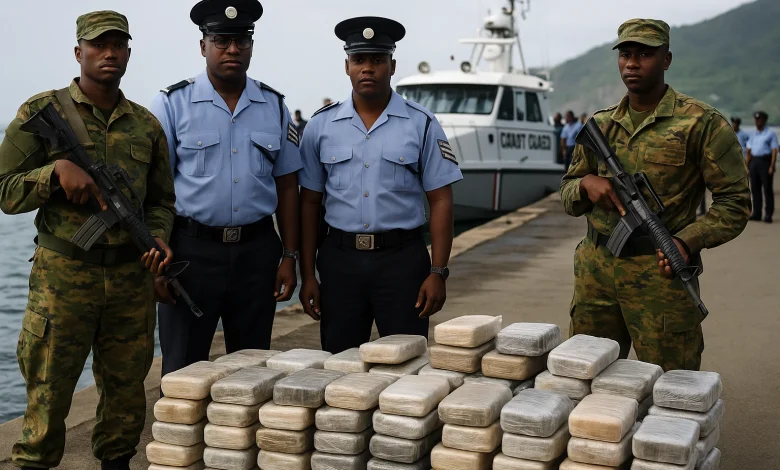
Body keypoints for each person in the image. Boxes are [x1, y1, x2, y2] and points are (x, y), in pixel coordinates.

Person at [0, 11, 176, 470]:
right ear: (79, 52)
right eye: (99, 45)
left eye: (118, 45)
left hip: (129, 281)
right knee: (48, 393)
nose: (109, 53)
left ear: (129, 54)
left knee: (124, 398)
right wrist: (53, 174)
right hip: (63, 278)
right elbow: (3, 190)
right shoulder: (42, 112)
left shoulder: (145, 125)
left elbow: (161, 200)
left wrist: (158, 237)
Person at [560, 19, 750, 371]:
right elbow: (567, 190)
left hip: (661, 277)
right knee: (584, 380)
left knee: (670, 390)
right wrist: (587, 186)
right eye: (626, 54)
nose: (632, 63)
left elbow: (736, 203)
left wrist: (687, 241)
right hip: (595, 275)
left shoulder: (701, 124)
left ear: (666, 60)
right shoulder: (600, 125)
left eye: (645, 54)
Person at [150, 0, 302, 377]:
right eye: (221, 40)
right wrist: (154, 267)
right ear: (203, 46)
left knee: (251, 372)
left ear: (251, 45)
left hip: (256, 254)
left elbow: (287, 187)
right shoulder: (172, 104)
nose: (232, 49)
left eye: (241, 40)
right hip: (190, 254)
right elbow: (155, 192)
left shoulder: (275, 105)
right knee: (184, 371)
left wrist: (289, 256)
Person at [297, 17, 463, 354]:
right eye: (359, 60)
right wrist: (308, 274)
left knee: (406, 367)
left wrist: (438, 271)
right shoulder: (320, 126)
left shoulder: (422, 124)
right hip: (340, 264)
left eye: (377, 60)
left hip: (402, 265)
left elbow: (441, 200)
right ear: (347, 66)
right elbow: (309, 203)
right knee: (339, 366)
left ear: (392, 65)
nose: (368, 69)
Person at [745, 111, 778, 223]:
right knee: (755, 188)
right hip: (754, 161)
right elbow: (748, 150)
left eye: (759, 119)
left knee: (767, 188)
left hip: (765, 161)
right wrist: (746, 165)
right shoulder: (753, 134)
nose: (757, 121)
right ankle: (757, 213)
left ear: (764, 120)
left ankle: (768, 214)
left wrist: (772, 165)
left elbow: (774, 150)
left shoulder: (770, 134)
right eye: (756, 119)